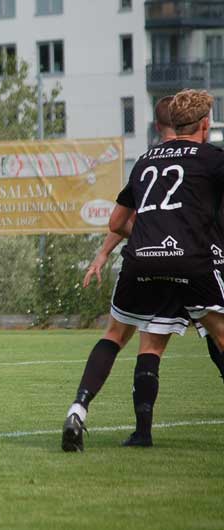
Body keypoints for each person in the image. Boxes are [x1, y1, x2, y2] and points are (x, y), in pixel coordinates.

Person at [61, 94, 224, 451]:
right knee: (218, 337)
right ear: (204, 124)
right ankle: (141, 431)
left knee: (117, 336)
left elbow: (117, 222)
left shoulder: (146, 159)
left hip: (143, 259)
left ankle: (79, 409)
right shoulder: (212, 159)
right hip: (192, 259)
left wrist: (143, 239)